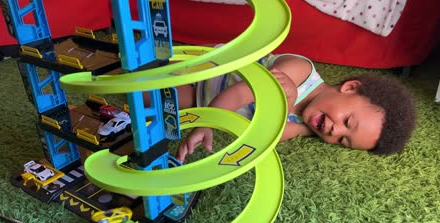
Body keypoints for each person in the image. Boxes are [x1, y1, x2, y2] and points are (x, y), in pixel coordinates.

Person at [171, 53, 416, 163]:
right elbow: (238, 93)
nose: (334, 131)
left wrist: (303, 130)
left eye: (342, 140)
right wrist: (207, 123)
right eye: (347, 122)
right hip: (209, 69)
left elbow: (272, 134)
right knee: (154, 67)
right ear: (350, 87)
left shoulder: (304, 125)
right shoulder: (299, 71)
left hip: (198, 98)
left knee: (156, 100)